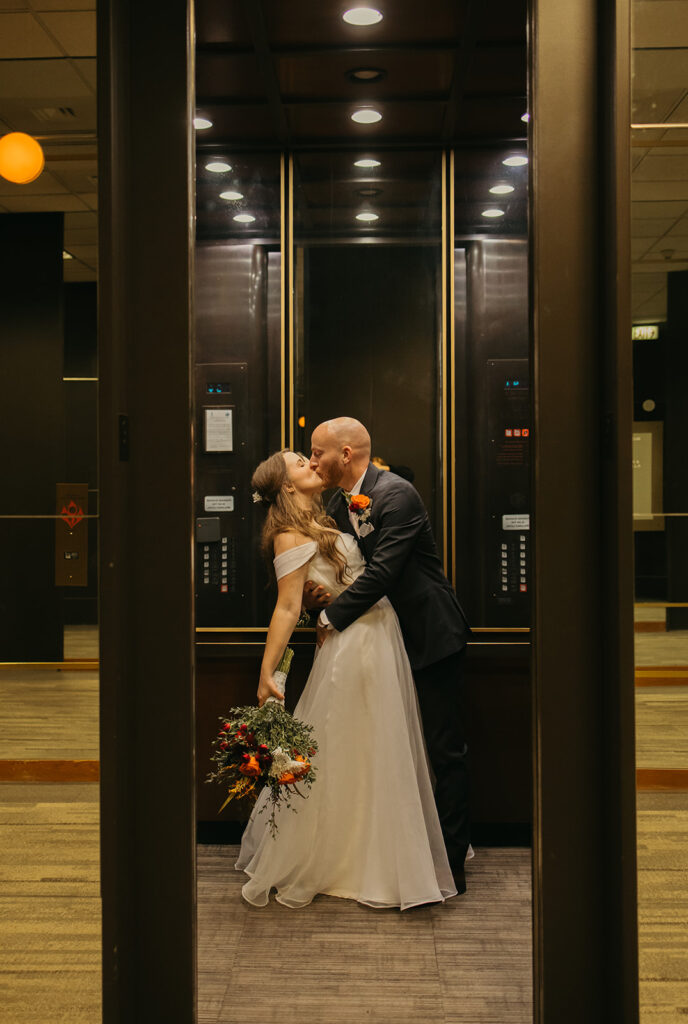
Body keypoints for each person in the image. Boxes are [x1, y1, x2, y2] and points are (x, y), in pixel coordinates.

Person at [235, 449, 457, 910]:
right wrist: (268, 671)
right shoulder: (288, 532)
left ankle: (374, 850)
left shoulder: (327, 514)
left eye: (312, 456)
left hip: (377, 634)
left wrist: (326, 601)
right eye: (301, 462)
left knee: (376, 747)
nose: (312, 464)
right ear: (288, 486)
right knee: (350, 743)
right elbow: (288, 606)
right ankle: (346, 858)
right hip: (353, 643)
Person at [306, 417, 472, 893]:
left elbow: (382, 573)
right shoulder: (340, 502)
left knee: (443, 750)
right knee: (397, 750)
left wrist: (330, 618)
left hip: (430, 636)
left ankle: (451, 865)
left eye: (317, 452)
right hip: (383, 642)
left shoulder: (396, 495)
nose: (313, 460)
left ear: (345, 452)